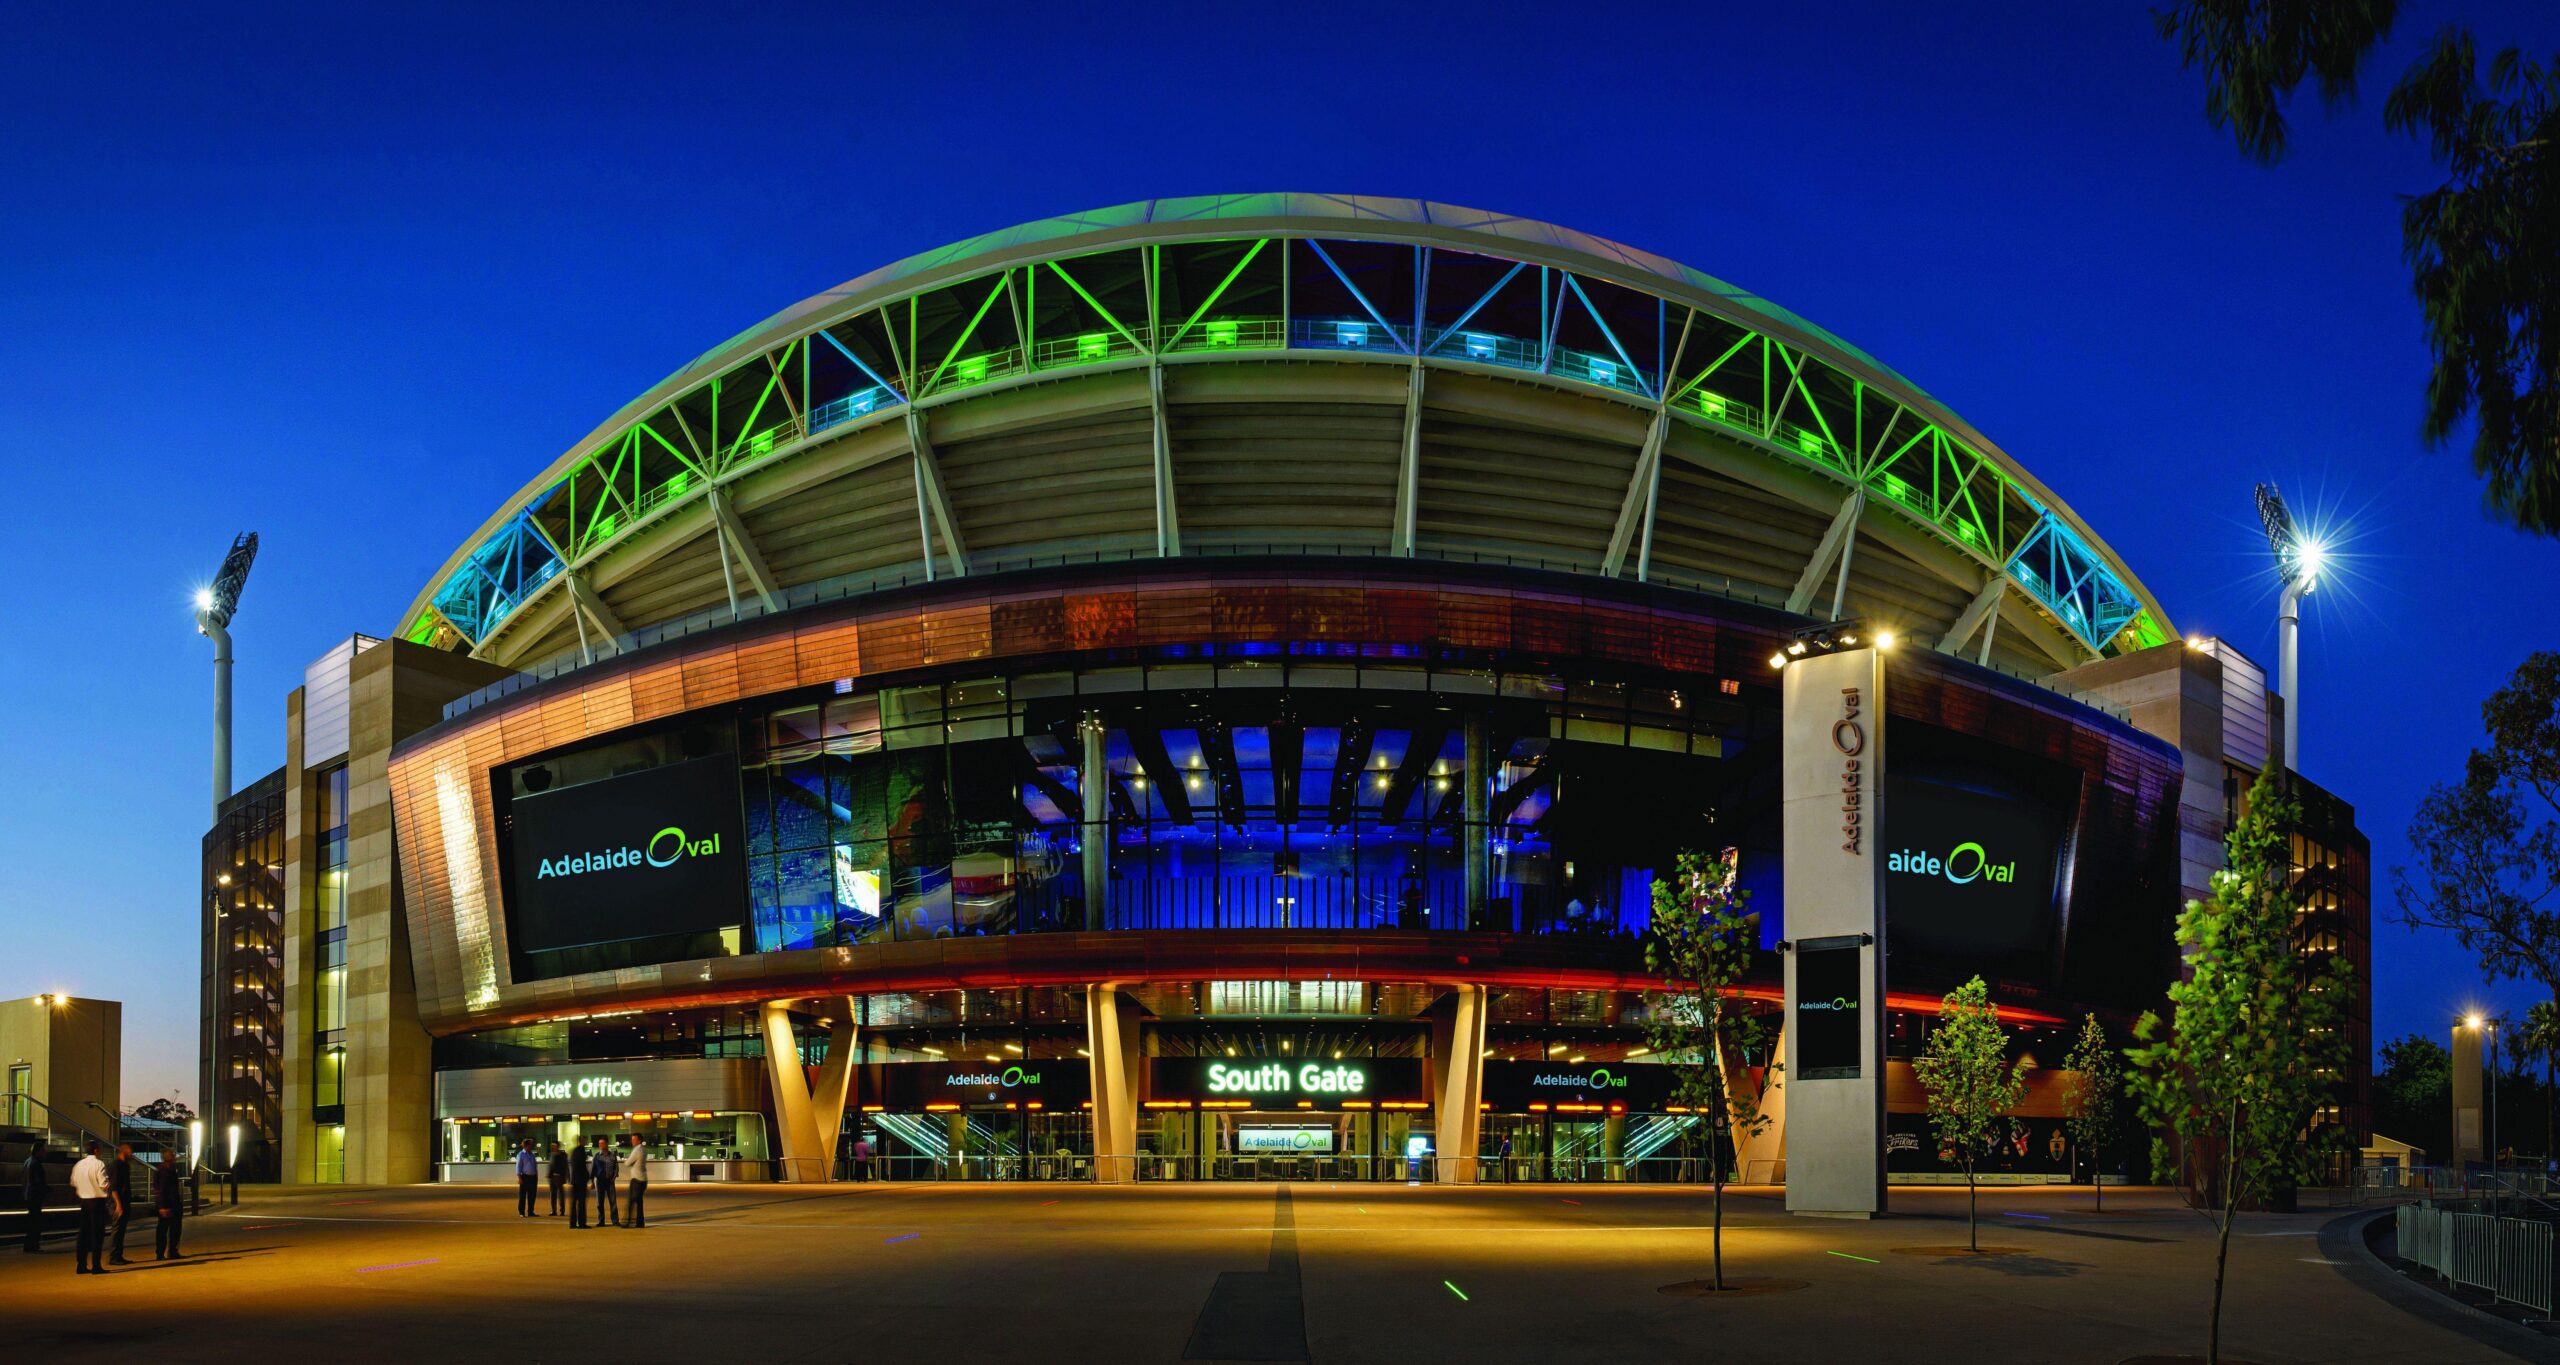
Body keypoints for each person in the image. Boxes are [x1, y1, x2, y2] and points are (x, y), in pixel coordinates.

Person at [69, 1141, 110, 1275]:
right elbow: (104, 1184)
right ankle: (96, 1265)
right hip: (97, 1201)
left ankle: (81, 1265)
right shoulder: (99, 1164)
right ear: (96, 1150)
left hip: (83, 1201)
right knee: (97, 1234)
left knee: (83, 1234)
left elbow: (73, 1182)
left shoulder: (79, 1164)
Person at [151, 1148, 185, 1260]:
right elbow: (161, 1189)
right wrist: (162, 1206)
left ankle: (171, 1251)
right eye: (172, 1154)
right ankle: (162, 1253)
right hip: (168, 1204)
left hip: (172, 1203)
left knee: (173, 1229)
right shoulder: (163, 1170)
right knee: (164, 1229)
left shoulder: (169, 1169)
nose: (174, 1156)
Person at [106, 1142, 134, 1266]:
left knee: (121, 1229)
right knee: (117, 1229)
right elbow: (113, 1187)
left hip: (123, 1201)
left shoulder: (124, 1165)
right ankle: (114, 1256)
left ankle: (118, 1255)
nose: (132, 1154)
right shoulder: (116, 1165)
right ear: (123, 1152)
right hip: (118, 1202)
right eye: (130, 1151)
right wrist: (118, 1204)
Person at [21, 1148, 48, 1253]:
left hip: (28, 1194)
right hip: (35, 1196)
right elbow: (38, 1181)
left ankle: (28, 1245)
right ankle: (33, 1245)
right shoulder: (36, 1164)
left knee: (31, 1221)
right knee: (35, 1221)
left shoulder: (27, 1161)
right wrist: (46, 1189)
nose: (44, 1154)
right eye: (43, 1151)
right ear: (38, 1152)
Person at [590, 1139, 618, 1227]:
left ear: (606, 1144)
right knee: (599, 1202)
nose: (600, 1145)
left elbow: (616, 1168)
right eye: (599, 1144)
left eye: (602, 1143)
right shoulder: (596, 1156)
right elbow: (593, 1169)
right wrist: (592, 1182)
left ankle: (615, 1221)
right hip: (599, 1181)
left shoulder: (612, 1156)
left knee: (613, 1202)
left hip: (610, 1181)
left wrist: (614, 1177)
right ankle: (601, 1221)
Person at [624, 1136, 648, 1229]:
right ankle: (640, 1222)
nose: (632, 1141)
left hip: (636, 1179)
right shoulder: (644, 1149)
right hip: (643, 1179)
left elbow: (627, 1163)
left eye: (634, 1139)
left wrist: (629, 1162)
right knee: (639, 1202)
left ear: (639, 1140)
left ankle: (629, 1221)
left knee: (631, 1201)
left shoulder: (637, 1150)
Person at [566, 1139, 589, 1229]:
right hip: (581, 1181)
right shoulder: (581, 1151)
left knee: (574, 1202)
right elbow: (582, 1166)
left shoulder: (574, 1151)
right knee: (581, 1203)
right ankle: (582, 1223)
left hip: (574, 1180)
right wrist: (587, 1176)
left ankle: (572, 1223)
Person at [513, 1138, 538, 1217]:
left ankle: (531, 1211)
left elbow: (534, 1166)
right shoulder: (521, 1154)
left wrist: (536, 1176)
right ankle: (521, 1212)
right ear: (526, 1145)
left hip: (533, 1177)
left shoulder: (532, 1154)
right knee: (523, 1195)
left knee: (532, 1195)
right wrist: (519, 1178)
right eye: (530, 1144)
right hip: (525, 1177)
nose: (532, 1146)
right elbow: (518, 1167)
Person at [547, 1142, 568, 1216]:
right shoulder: (552, 1154)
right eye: (552, 1146)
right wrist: (549, 1175)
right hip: (552, 1177)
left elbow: (565, 1166)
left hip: (559, 1177)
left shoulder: (562, 1155)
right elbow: (550, 1165)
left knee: (561, 1194)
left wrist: (565, 1176)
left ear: (558, 1146)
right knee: (553, 1194)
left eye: (554, 1145)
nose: (553, 1147)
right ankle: (553, 1211)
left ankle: (562, 1211)